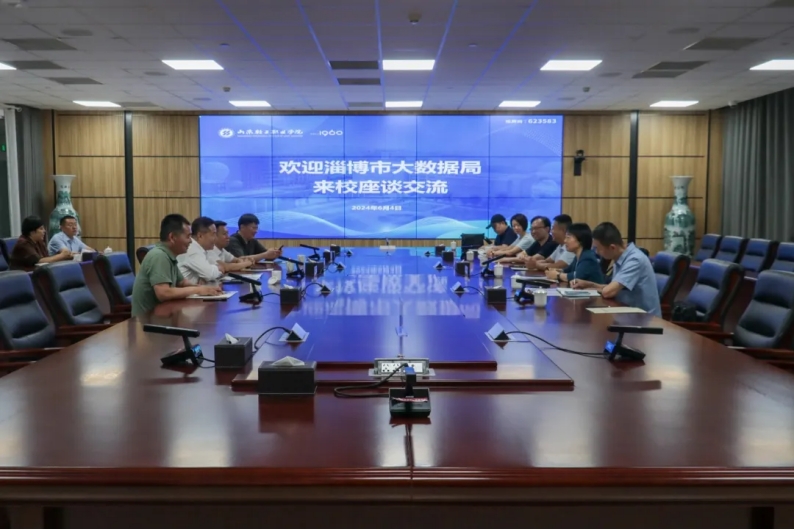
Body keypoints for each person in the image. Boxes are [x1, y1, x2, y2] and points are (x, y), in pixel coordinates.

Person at [131, 214, 222, 317]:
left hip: (163, 316)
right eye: (188, 236)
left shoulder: (169, 255)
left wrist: (205, 288)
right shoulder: (159, 256)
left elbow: (182, 282)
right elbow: (163, 293)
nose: (191, 241)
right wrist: (197, 290)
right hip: (146, 321)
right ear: (172, 237)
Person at [572, 222, 661, 317]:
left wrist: (591, 289)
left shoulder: (635, 260)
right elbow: (613, 288)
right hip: (628, 314)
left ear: (612, 247)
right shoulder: (619, 258)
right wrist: (589, 285)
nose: (596, 252)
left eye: (598, 248)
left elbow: (608, 292)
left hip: (646, 320)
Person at [177, 217, 250, 285]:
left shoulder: (202, 248)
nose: (215, 238)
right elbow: (210, 274)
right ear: (200, 236)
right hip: (188, 293)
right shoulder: (192, 249)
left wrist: (212, 271)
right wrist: (219, 268)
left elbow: (210, 273)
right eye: (213, 234)